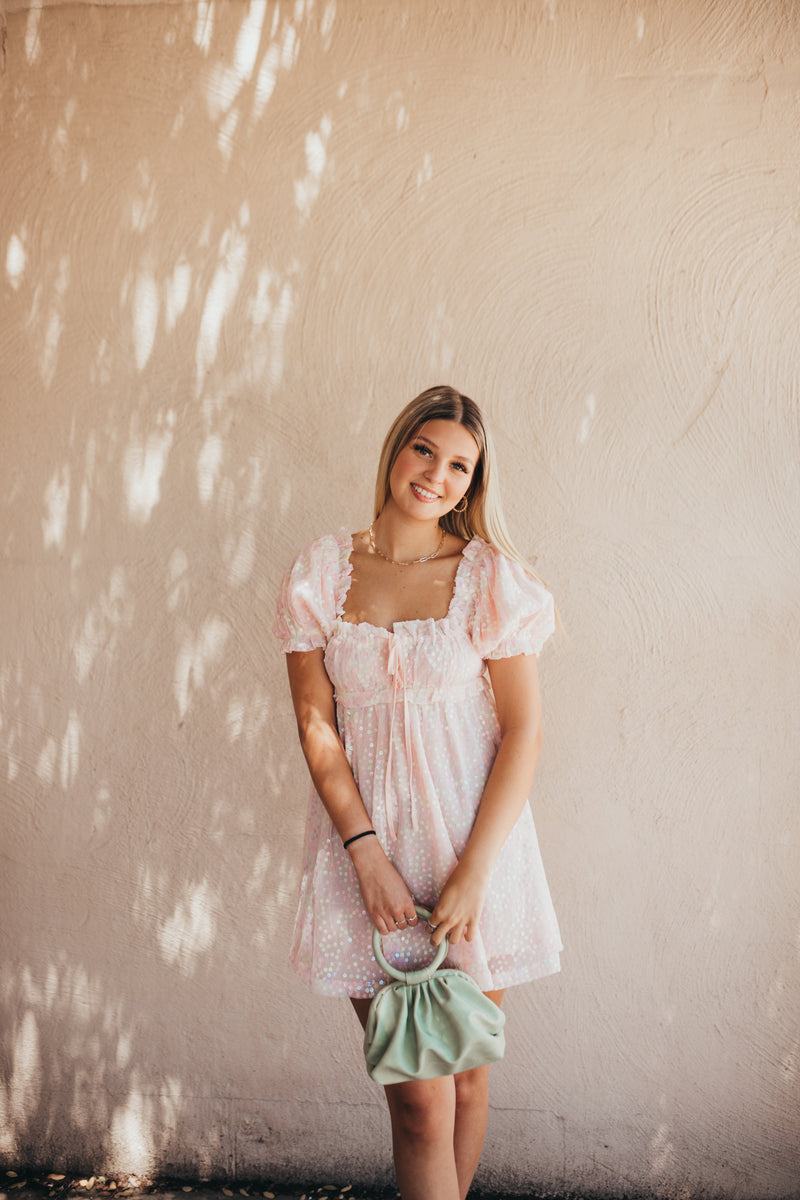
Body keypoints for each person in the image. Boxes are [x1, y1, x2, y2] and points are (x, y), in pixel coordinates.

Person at [274, 385, 562, 1200]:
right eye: (425, 450)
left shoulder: (490, 580)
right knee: (420, 1104)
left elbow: (523, 734)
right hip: (368, 864)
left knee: (467, 1081)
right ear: (396, 451)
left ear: (474, 484)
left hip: (477, 856)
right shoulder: (322, 573)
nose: (436, 473)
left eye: (460, 465)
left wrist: (473, 874)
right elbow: (315, 727)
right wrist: (365, 857)